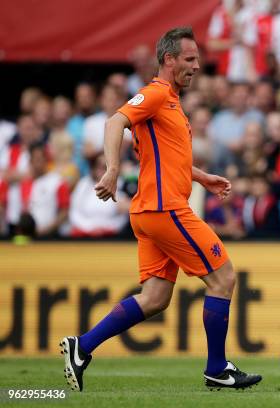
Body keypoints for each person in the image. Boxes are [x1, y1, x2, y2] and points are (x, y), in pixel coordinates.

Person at [60, 27, 261, 392]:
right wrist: (112, 168)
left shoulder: (171, 101)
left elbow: (165, 157)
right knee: (224, 277)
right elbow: (114, 122)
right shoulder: (154, 94)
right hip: (164, 208)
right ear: (168, 60)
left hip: (151, 211)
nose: (197, 66)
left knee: (154, 298)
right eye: (190, 59)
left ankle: (82, 347)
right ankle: (217, 367)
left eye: (197, 59)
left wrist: (201, 177)